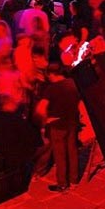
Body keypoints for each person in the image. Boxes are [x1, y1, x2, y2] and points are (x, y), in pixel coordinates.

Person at [34, 62, 83, 192]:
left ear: (51, 74)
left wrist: (45, 121)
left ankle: (62, 183)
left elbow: (41, 108)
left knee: (60, 155)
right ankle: (74, 180)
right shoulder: (73, 83)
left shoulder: (51, 89)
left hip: (58, 125)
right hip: (72, 123)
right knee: (72, 151)